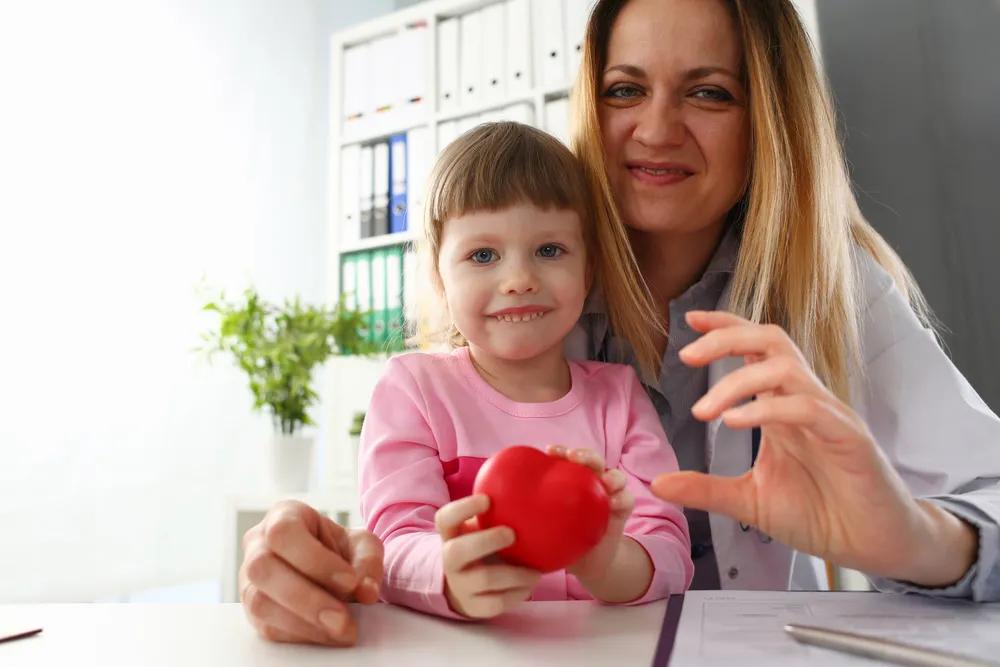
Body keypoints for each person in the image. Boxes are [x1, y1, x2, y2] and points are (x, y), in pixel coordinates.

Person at [240, 0, 1000, 646]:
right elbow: (401, 527)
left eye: (708, 93)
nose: (657, 128)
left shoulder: (833, 284)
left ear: (769, 118)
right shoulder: (522, 290)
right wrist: (313, 555)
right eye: (625, 89)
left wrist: (909, 537)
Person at [360, 122, 692, 619]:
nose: (518, 279)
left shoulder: (620, 399)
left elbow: (668, 551)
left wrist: (605, 562)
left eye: (549, 250)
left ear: (588, 270)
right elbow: (392, 542)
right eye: (483, 255)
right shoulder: (414, 391)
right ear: (438, 276)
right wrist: (448, 576)